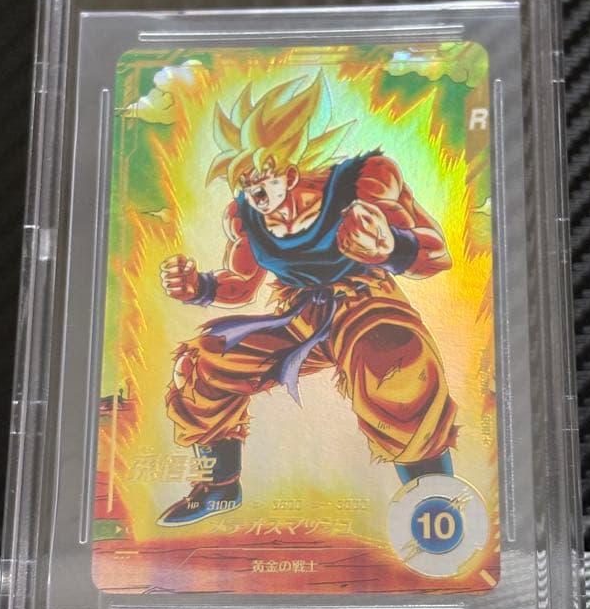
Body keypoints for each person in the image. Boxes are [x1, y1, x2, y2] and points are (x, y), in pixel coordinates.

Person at [158, 73, 457, 526]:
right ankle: (220, 488)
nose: (257, 197)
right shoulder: (246, 216)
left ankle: (436, 504)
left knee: (398, 367)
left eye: (263, 182)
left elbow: (437, 254)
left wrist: (392, 247)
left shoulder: (364, 183)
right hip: (301, 313)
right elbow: (241, 283)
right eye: (246, 186)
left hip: (367, 300)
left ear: (290, 172)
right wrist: (197, 286)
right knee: (205, 361)